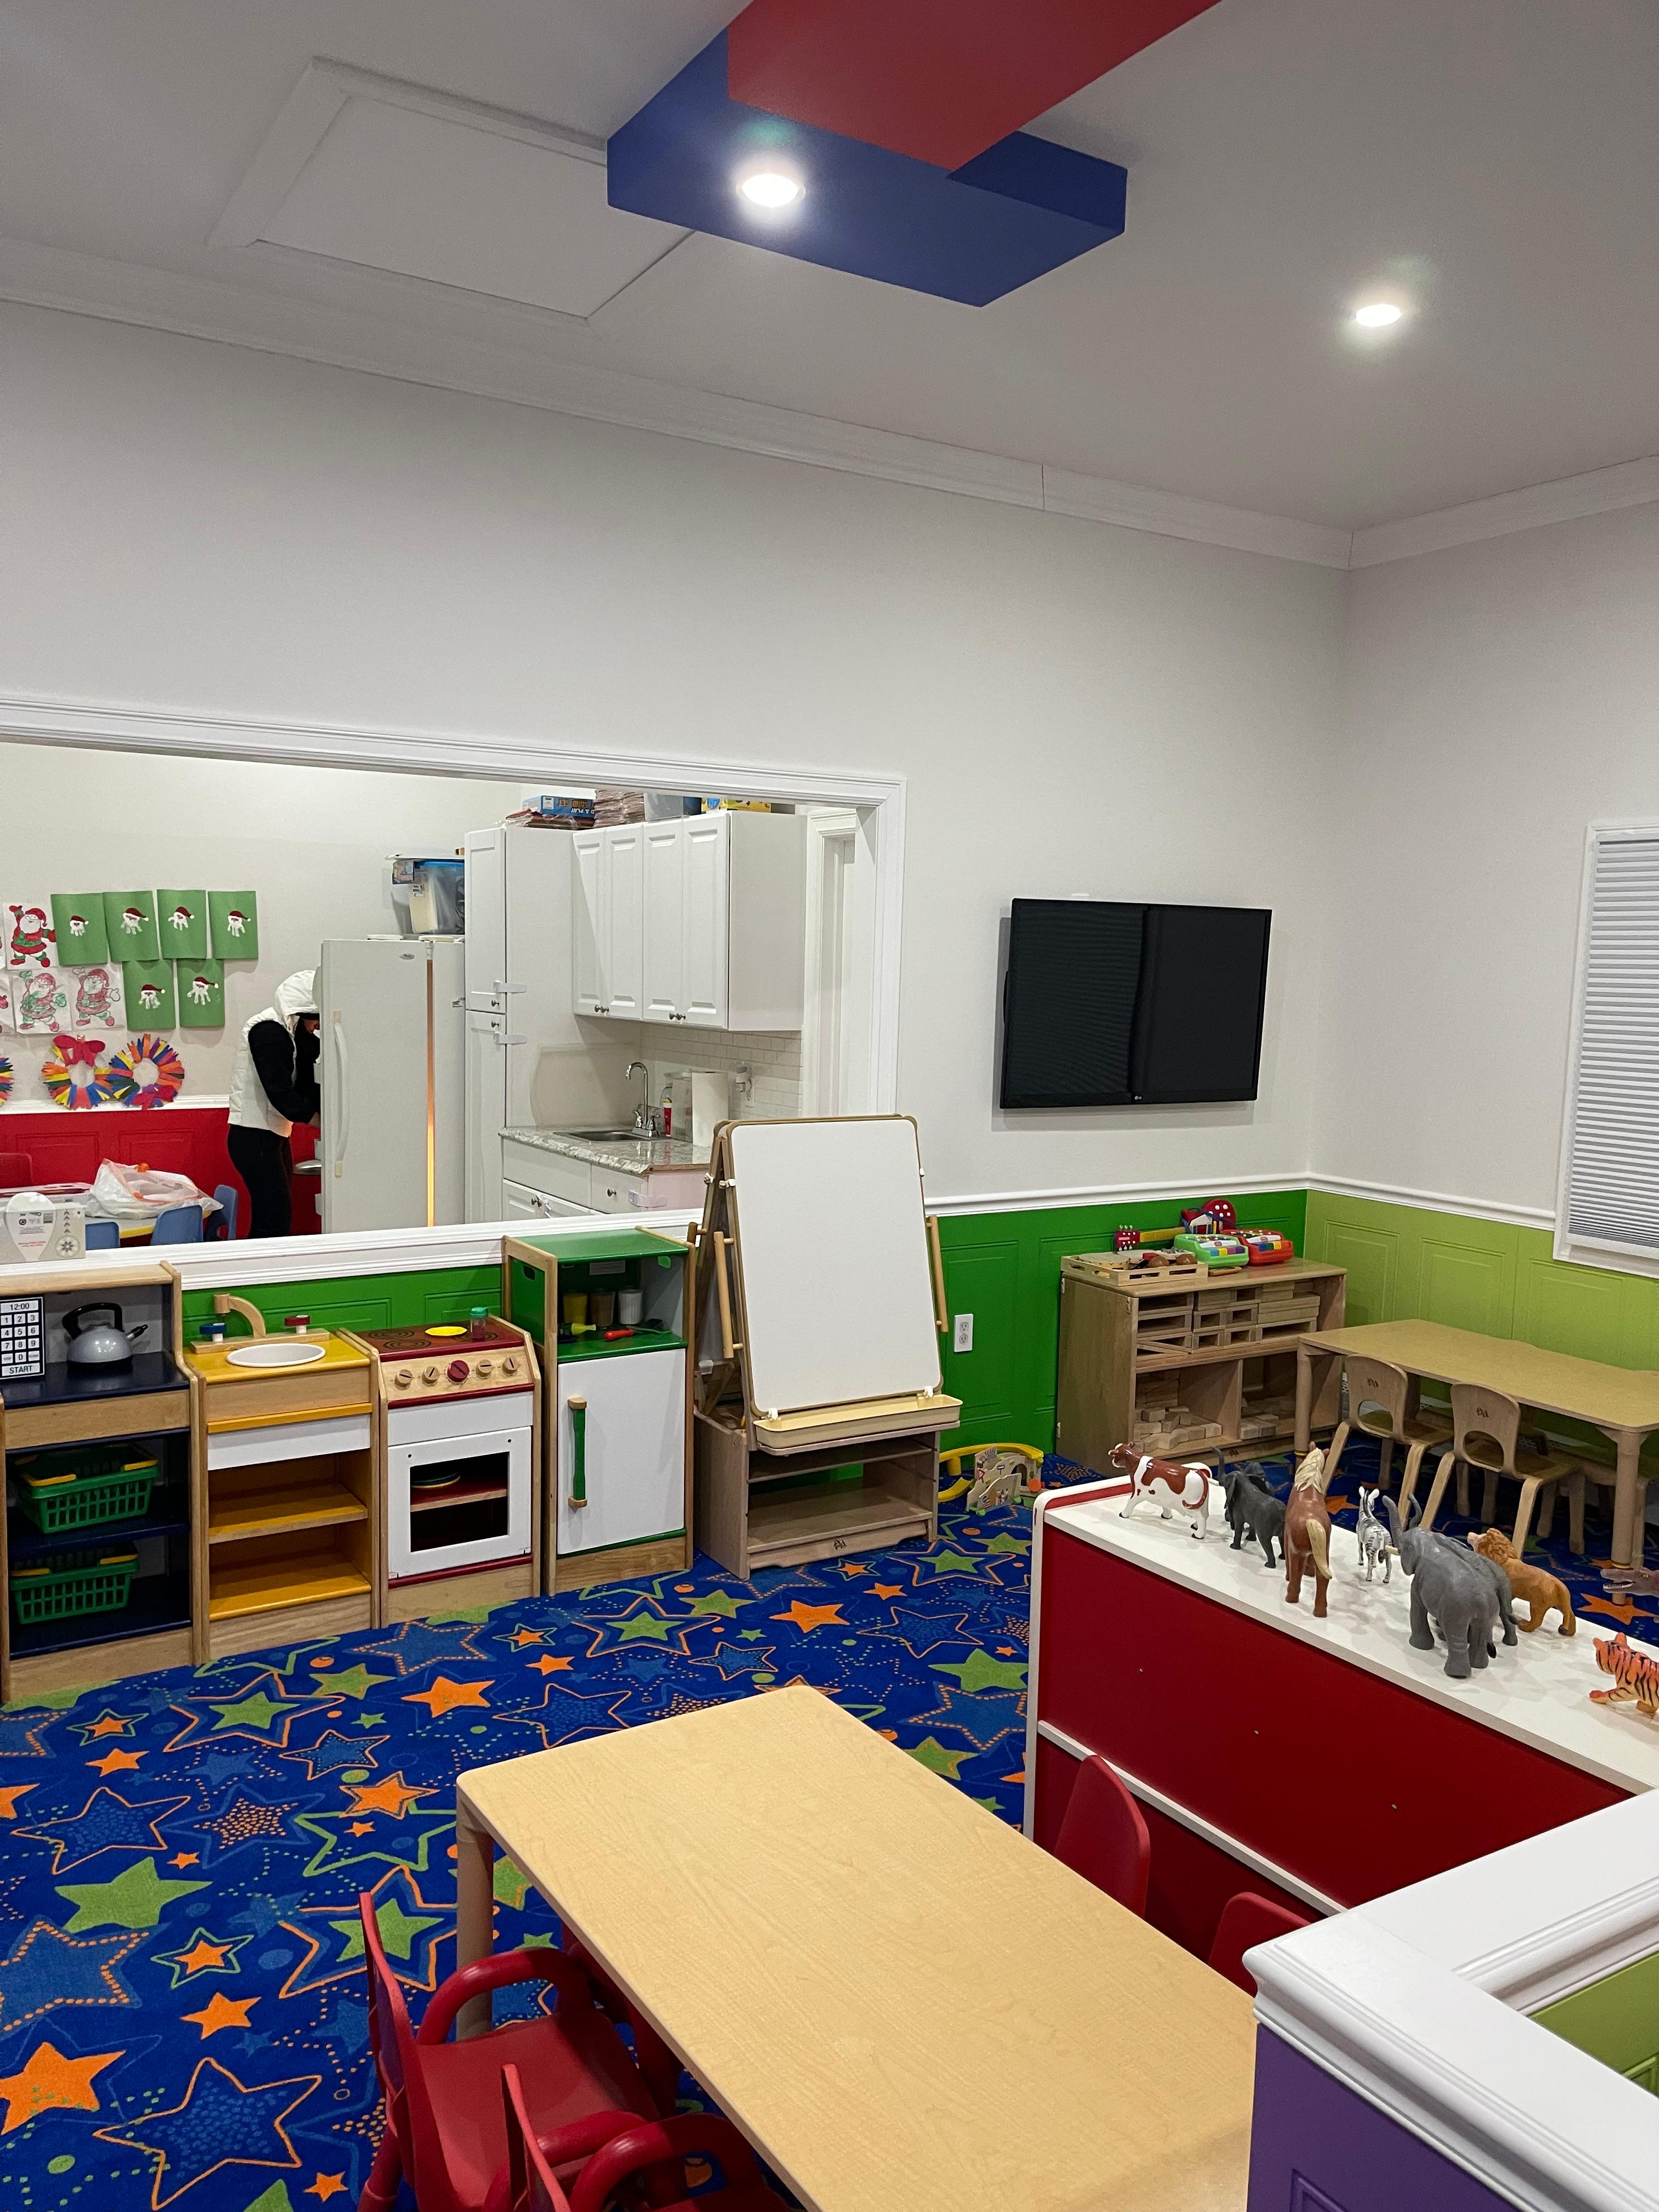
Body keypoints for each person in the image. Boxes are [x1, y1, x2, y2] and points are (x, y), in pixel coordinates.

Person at [226, 969, 320, 1238]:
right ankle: (258, 1276)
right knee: (274, 1218)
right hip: (254, 1137)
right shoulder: (267, 1031)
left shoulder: (288, 1032)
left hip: (269, 1136)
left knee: (275, 1215)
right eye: (317, 1019)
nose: (318, 1026)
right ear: (303, 1012)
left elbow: (304, 1080)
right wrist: (319, 1120)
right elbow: (279, 1093)